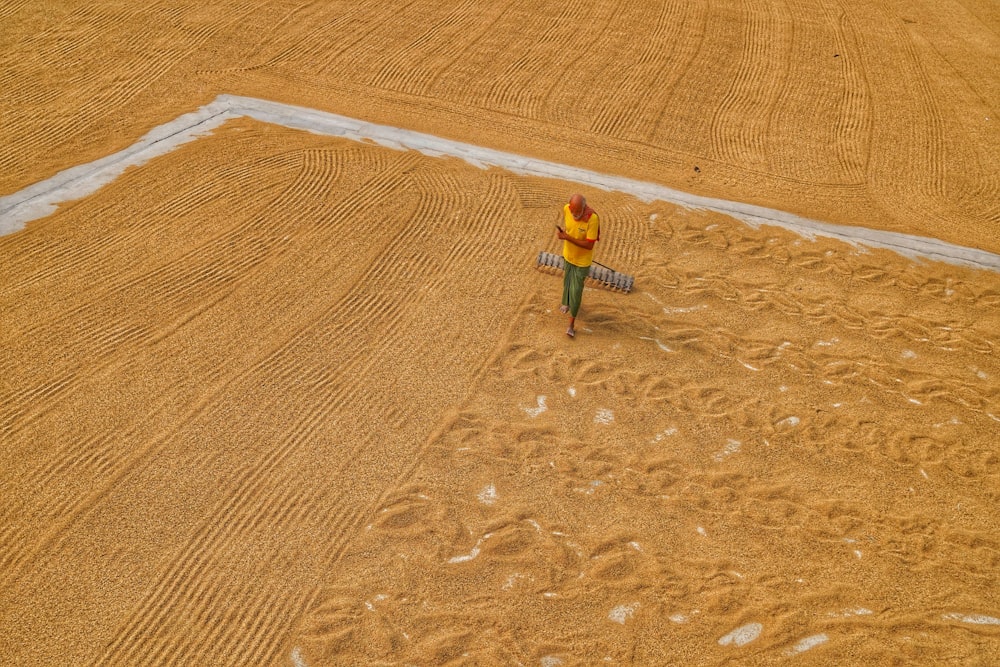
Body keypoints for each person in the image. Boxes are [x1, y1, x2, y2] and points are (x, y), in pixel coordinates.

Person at [556, 193, 600, 338]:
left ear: (584, 207)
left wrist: (567, 237)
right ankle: (566, 303)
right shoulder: (566, 209)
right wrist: (565, 233)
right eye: (573, 213)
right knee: (567, 283)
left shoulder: (592, 219)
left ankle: (571, 324)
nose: (575, 216)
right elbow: (570, 227)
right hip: (568, 256)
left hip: (582, 262)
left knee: (576, 291)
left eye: (578, 213)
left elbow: (589, 245)